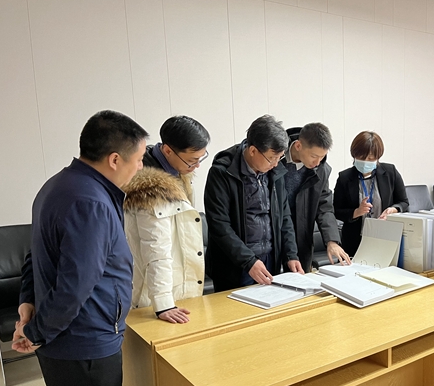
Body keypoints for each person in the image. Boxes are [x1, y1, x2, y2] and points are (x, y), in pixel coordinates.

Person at [12, 110, 147, 386]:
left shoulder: (57, 185)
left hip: (61, 341)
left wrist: (27, 304)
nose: (139, 167)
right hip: (86, 343)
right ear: (114, 159)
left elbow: (34, 255)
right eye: (137, 159)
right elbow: (75, 286)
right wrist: (36, 332)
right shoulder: (91, 202)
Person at [123, 116, 210, 324]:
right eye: (192, 160)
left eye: (201, 158)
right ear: (168, 151)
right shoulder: (150, 188)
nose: (197, 166)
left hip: (179, 286)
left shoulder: (177, 172)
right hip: (156, 298)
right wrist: (163, 304)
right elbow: (156, 248)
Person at [204, 114, 304, 292]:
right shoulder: (222, 172)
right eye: (272, 158)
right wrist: (249, 261)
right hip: (235, 265)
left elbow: (284, 217)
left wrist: (291, 255)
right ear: (252, 151)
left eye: (280, 157)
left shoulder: (275, 172)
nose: (276, 164)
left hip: (269, 261)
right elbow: (219, 225)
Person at [282, 123, 350, 272]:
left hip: (301, 239)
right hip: (274, 237)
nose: (317, 162)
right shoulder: (275, 158)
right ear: (298, 146)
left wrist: (332, 241)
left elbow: (324, 207)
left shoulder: (321, 169)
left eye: (322, 157)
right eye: (314, 156)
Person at [333, 131, 409, 257]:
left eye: (370, 158)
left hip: (386, 238)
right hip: (355, 241)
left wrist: (393, 209)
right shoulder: (344, 178)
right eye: (361, 157)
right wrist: (357, 212)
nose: (365, 161)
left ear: (378, 157)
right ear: (354, 155)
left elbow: (404, 202)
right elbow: (336, 211)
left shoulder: (390, 172)